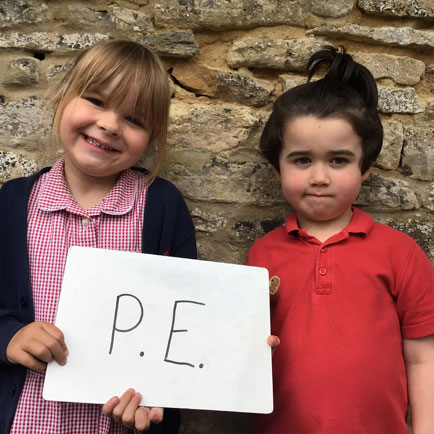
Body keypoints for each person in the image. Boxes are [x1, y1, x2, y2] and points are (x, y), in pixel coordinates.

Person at [0, 39, 197, 434]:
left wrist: (160, 394)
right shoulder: (12, 202)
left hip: (119, 421)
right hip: (26, 418)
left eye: (134, 119)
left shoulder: (162, 206)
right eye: (95, 100)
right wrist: (9, 336)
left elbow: (185, 320)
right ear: (63, 96)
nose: (109, 125)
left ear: (152, 136)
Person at [246, 46, 434, 433]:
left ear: (365, 165)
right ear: (276, 167)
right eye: (302, 160)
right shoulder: (263, 254)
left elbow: (422, 359)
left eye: (338, 160)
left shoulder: (400, 254)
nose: (319, 177)